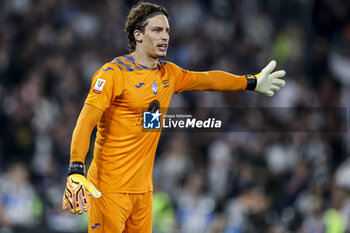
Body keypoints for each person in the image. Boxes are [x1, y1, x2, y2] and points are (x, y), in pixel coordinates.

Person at [62, 1, 286, 233]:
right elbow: (86, 120)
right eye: (157, 30)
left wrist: (250, 82)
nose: (165, 36)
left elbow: (208, 79)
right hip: (109, 189)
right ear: (137, 35)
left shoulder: (169, 74)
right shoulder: (113, 74)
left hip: (143, 193)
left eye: (167, 30)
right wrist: (75, 168)